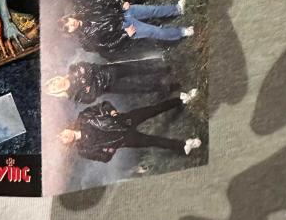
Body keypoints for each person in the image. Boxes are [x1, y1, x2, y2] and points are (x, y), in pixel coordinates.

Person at [58, 92, 202, 162]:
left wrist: (112, 112)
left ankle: (182, 99)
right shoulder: (83, 150)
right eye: (62, 139)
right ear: (66, 144)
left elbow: (103, 105)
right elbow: (104, 158)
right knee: (154, 141)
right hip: (125, 139)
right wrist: (112, 148)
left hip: (124, 120)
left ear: (65, 128)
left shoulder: (83, 117)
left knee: (153, 110)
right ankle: (184, 145)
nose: (64, 136)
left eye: (61, 133)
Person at [59, 0, 193, 53]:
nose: (72, 24)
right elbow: (108, 45)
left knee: (153, 10)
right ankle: (183, 32)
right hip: (126, 28)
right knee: (156, 31)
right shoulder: (86, 39)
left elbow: (104, 1)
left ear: (69, 17)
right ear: (69, 32)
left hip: (124, 12)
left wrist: (120, 3)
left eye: (68, 21)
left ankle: (177, 9)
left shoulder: (86, 10)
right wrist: (125, 34)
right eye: (68, 27)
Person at [45, 58, 176, 104]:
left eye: (53, 83)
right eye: (54, 88)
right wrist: (89, 79)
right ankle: (165, 87)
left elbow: (90, 67)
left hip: (110, 70)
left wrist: (88, 83)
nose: (56, 85)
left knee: (137, 69)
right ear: (56, 92)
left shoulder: (72, 69)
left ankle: (163, 69)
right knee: (138, 87)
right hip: (110, 86)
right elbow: (92, 97)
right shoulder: (75, 96)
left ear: (55, 79)